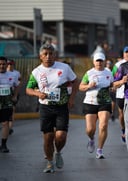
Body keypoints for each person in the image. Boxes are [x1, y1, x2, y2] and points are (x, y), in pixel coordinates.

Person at [26, 44, 78, 173]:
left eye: (51, 53)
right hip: (46, 107)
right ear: (40, 57)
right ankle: (49, 163)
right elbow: (28, 89)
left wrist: (71, 99)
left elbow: (76, 81)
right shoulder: (36, 72)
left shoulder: (64, 68)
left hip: (61, 107)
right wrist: (38, 93)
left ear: (55, 55)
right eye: (45, 54)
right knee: (48, 137)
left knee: (60, 136)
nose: (48, 56)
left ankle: (58, 152)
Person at [79, 52, 114, 159]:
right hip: (90, 102)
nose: (99, 63)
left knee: (103, 125)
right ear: (94, 62)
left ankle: (100, 150)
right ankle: (91, 138)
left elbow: (113, 85)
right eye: (97, 60)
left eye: (101, 60)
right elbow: (81, 87)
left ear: (104, 61)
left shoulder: (109, 73)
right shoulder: (89, 73)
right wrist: (89, 85)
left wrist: (113, 88)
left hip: (105, 102)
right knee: (90, 129)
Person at [0, 56, 20, 153]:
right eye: (0, 64)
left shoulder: (12, 75)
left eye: (4, 64)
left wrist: (15, 96)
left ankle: (3, 144)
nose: (2, 66)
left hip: (7, 102)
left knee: (5, 123)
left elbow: (16, 86)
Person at [112, 46, 128, 142]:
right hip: (120, 93)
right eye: (126, 52)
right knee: (122, 114)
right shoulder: (117, 65)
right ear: (123, 54)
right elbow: (113, 78)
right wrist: (115, 86)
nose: (127, 54)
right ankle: (123, 129)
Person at [6, 59, 21, 135]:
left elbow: (18, 85)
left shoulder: (16, 73)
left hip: (12, 93)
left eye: (11, 64)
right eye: (8, 64)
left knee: (12, 110)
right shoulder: (2, 72)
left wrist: (15, 96)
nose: (9, 66)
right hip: (4, 94)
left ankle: (10, 128)